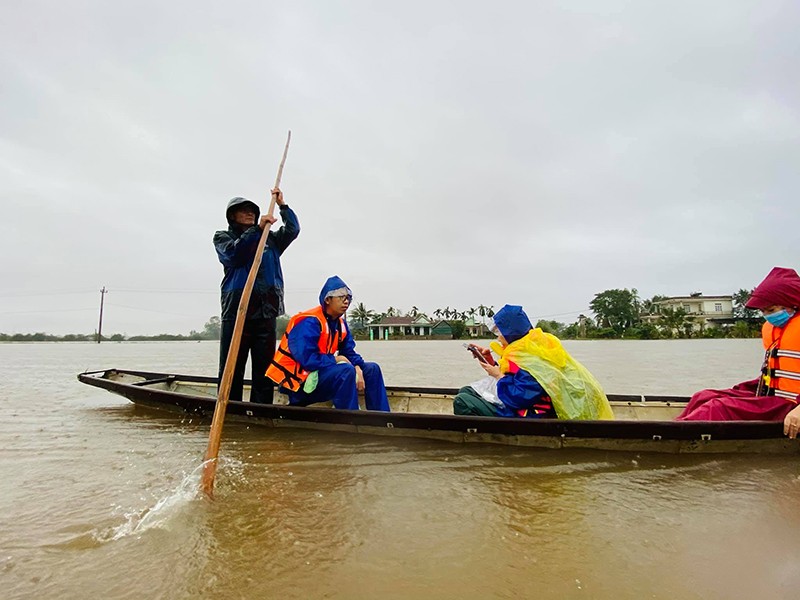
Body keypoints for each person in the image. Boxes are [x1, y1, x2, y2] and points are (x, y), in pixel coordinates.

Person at [677, 266, 800, 438]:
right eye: (763, 311)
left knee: (717, 408)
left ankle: (675, 437)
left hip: (791, 405)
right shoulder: (774, 329)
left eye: (771, 310)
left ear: (792, 303)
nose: (767, 316)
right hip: (772, 397)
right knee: (703, 396)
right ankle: (675, 428)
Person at [213, 188, 300, 404]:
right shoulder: (223, 237)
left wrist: (282, 205)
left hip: (265, 309)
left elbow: (293, 229)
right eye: (243, 211)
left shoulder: (270, 239)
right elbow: (235, 254)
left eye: (252, 210)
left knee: (264, 367)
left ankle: (261, 409)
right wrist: (257, 230)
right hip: (237, 310)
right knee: (233, 365)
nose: (249, 213)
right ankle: (229, 406)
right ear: (232, 216)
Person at [453, 304, 614, 420]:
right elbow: (514, 375)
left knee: (462, 401)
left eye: (499, 332)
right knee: (467, 391)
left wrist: (499, 377)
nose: (497, 336)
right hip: (522, 404)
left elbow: (520, 396)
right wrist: (491, 363)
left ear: (510, 333)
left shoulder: (529, 357)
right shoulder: (528, 348)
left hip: (530, 414)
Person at [266, 275, 390, 411]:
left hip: (320, 376)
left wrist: (358, 367)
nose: (346, 301)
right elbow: (308, 360)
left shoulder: (340, 324)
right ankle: (351, 419)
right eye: (341, 297)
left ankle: (381, 417)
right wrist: (337, 359)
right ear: (327, 300)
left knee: (372, 369)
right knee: (345, 370)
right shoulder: (309, 322)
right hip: (300, 385)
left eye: (348, 297)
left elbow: (349, 353)